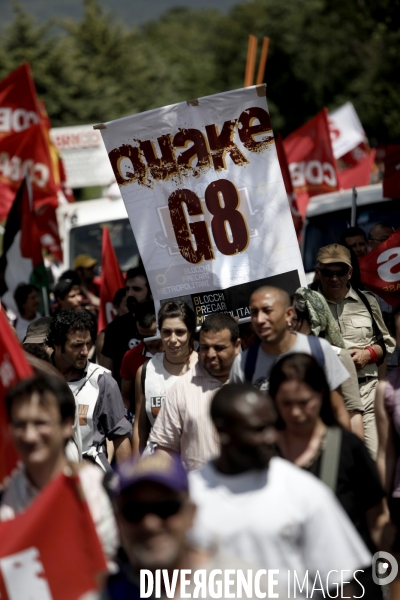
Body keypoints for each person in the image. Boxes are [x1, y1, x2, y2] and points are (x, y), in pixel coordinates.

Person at [188, 383, 372, 595]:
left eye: (272, 426)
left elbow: (340, 586)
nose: (271, 437)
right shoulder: (188, 496)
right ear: (222, 429)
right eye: (258, 429)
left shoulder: (305, 492)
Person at [268, 353, 388, 597]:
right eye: (286, 404)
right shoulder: (265, 454)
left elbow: (377, 521)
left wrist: (393, 582)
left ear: (321, 395)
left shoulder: (348, 449)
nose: (296, 413)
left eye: (304, 402)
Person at [100, 452, 278, 599]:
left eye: (166, 509)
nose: (150, 525)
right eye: (134, 512)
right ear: (117, 521)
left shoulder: (247, 587)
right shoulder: (103, 595)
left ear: (191, 514)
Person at [0, 373, 118, 567]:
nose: (29, 436)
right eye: (20, 425)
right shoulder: (6, 500)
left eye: (40, 423)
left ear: (66, 425)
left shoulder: (97, 489)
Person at [230, 285, 351, 430]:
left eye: (268, 311)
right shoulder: (243, 363)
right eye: (254, 313)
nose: (260, 319)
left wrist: (345, 451)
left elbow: (338, 410)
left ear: (288, 315)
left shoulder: (319, 349)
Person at [315, 243, 395, 458]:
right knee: (336, 462)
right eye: (327, 272)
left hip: (367, 392)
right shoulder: (307, 304)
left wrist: (367, 353)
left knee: (374, 457)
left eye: (340, 272)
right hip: (329, 396)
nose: (334, 278)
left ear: (350, 272)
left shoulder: (368, 301)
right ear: (317, 272)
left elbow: (387, 343)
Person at [149, 313, 241, 471]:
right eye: (205, 347)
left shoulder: (253, 379)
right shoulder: (180, 390)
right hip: (199, 491)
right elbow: (165, 451)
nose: (211, 354)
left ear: (237, 346)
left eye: (219, 348)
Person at [47, 309, 132, 471]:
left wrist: (127, 485)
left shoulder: (102, 380)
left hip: (91, 475)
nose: (85, 352)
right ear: (57, 346)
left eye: (88, 343)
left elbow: (120, 438)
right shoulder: (39, 379)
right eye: (77, 345)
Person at [291, 287, 364, 438]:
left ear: (313, 319)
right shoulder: (279, 358)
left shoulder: (339, 357)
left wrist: (355, 456)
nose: (288, 324)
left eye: (295, 319)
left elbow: (353, 415)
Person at [133, 301, 198, 454]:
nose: (173, 339)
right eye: (166, 332)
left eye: (180, 332)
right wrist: (136, 467)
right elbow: (140, 427)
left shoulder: (205, 368)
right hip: (158, 466)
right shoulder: (145, 371)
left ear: (190, 332)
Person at [376, 304, 400, 591]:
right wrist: (381, 507)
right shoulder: (388, 389)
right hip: (398, 499)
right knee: (392, 586)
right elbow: (386, 453)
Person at [101, 267, 153, 385]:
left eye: (137, 289)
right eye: (127, 289)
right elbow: (106, 373)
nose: (130, 294)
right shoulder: (116, 327)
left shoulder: (164, 323)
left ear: (151, 293)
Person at [120, 302, 163, 412]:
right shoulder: (130, 357)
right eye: (142, 336)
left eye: (152, 336)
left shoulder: (177, 353)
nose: (148, 341)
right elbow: (125, 397)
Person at [96, 286, 129, 362]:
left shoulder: (144, 329)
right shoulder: (105, 335)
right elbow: (105, 370)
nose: (132, 307)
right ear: (116, 307)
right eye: (127, 304)